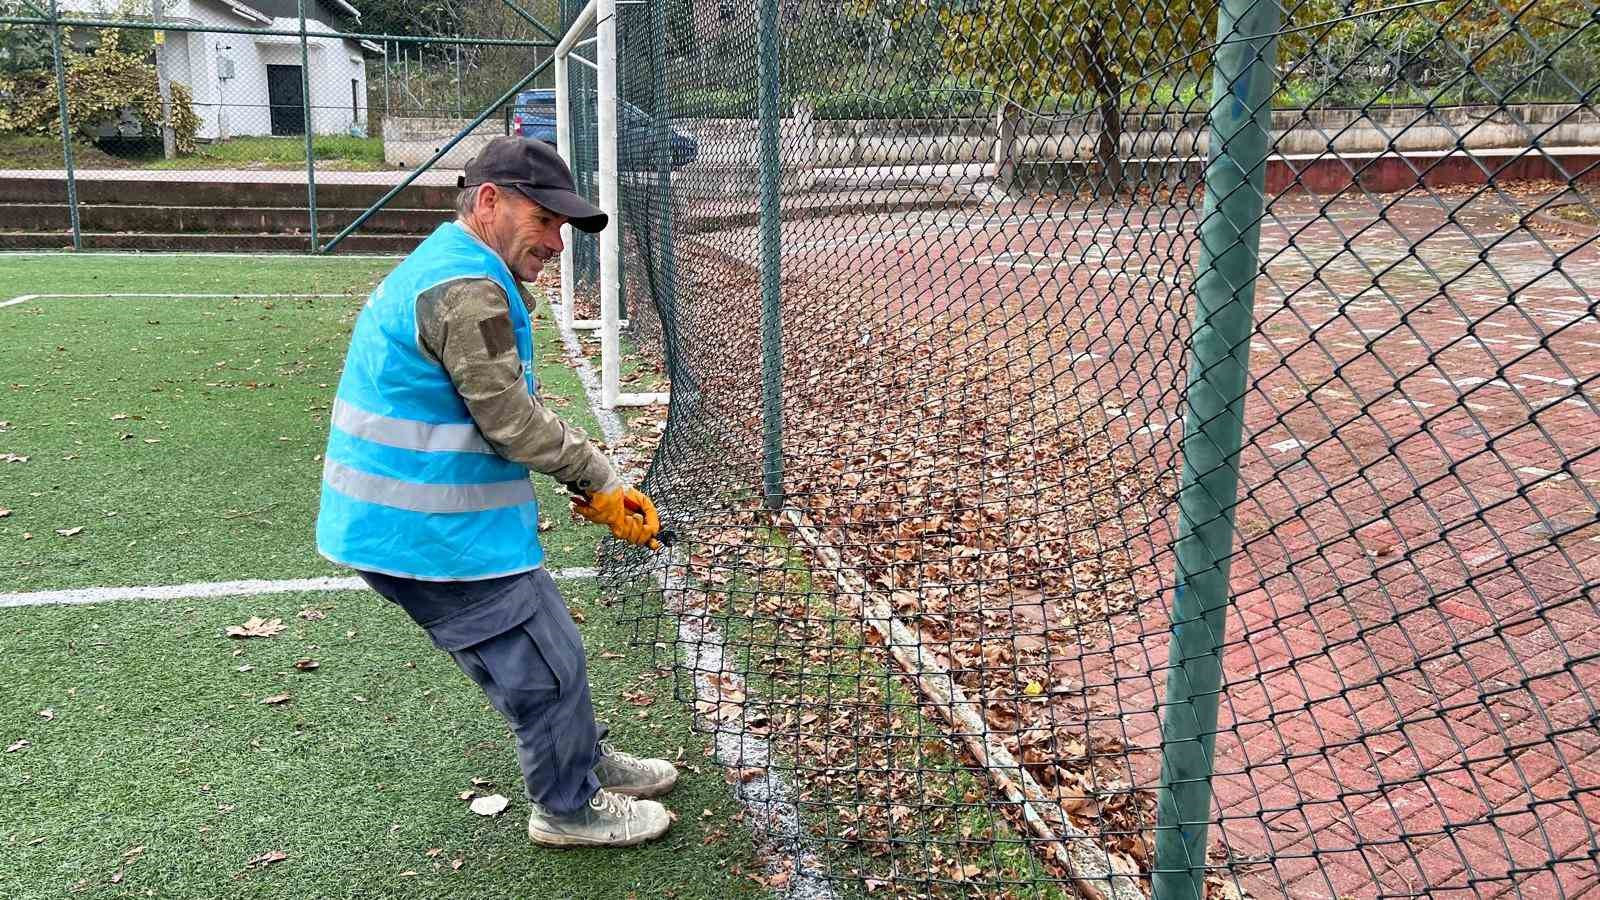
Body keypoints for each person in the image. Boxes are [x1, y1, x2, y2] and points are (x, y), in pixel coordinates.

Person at [314, 136, 673, 848]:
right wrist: (598, 477)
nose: (556, 243)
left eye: (562, 228)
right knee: (540, 668)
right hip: (426, 531)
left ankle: (583, 760)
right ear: (489, 202)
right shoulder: (465, 287)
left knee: (551, 649)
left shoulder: (460, 268)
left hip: (430, 522)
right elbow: (509, 420)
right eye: (545, 222)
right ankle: (566, 807)